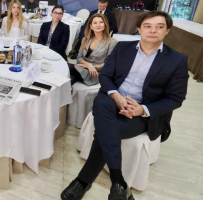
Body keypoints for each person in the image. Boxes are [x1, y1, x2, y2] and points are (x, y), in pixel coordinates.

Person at [61, 11, 189, 200]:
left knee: (106, 131)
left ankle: (83, 181)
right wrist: (116, 95)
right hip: (112, 99)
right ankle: (118, 180)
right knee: (102, 105)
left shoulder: (177, 60)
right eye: (147, 26)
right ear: (139, 29)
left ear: (167, 31)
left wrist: (142, 109)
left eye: (159, 26)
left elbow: (175, 98)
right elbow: (105, 76)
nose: (152, 30)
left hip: (142, 110)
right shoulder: (123, 48)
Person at [69, 13, 117, 85]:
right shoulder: (85, 39)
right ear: (91, 26)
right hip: (82, 67)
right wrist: (89, 65)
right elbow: (79, 58)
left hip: (96, 72)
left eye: (101, 22)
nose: (98, 25)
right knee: (69, 79)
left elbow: (110, 63)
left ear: (105, 24)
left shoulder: (111, 42)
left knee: (68, 69)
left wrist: (94, 67)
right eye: (95, 23)